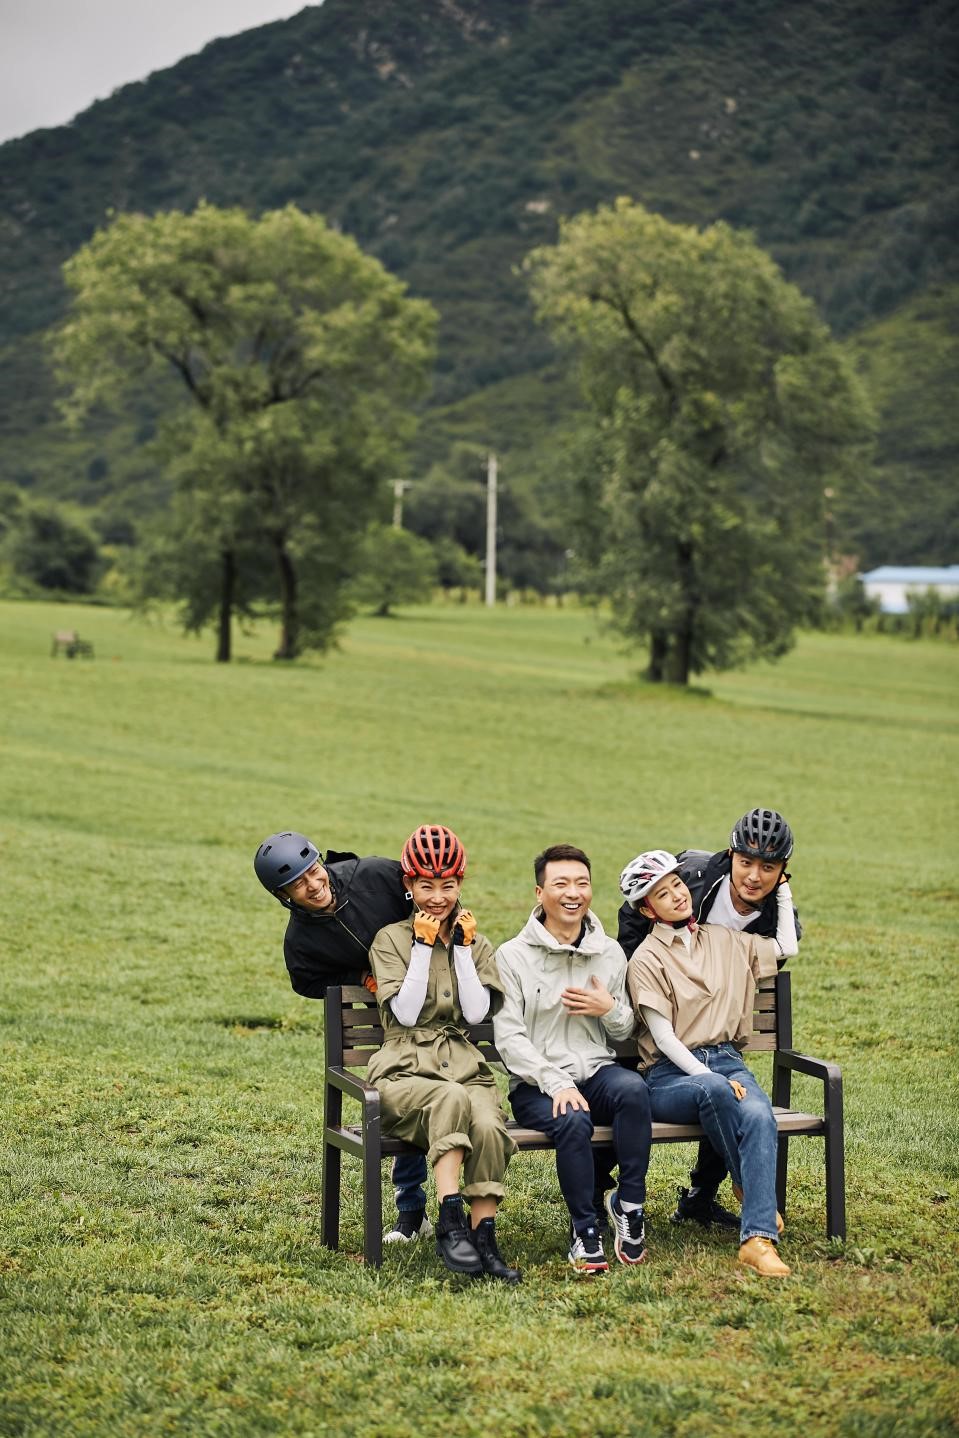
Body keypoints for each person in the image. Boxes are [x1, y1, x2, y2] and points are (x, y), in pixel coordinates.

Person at [617, 806, 799, 1231]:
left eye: (678, 885)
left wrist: (785, 891)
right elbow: (662, 1038)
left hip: (724, 1059)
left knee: (757, 1114)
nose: (679, 895)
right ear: (647, 910)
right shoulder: (644, 958)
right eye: (663, 894)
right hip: (670, 1073)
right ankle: (749, 1189)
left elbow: (786, 948)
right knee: (719, 1091)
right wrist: (709, 1073)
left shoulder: (723, 939)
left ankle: (757, 1240)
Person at [253, 829, 429, 1243]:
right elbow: (305, 981)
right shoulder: (300, 940)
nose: (313, 886)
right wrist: (358, 977)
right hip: (389, 1026)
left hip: (433, 999)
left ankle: (465, 1213)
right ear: (283, 896)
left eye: (313, 872)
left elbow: (431, 893)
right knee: (402, 1098)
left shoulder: (375, 874)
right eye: (297, 884)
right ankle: (412, 1211)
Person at [367, 823, 520, 1283]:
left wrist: (463, 951)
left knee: (490, 1124)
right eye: (426, 886)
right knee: (449, 1099)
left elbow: (475, 1013)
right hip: (403, 1071)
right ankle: (450, 1218)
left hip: (461, 1061)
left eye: (447, 886)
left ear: (459, 887)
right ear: (409, 887)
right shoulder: (390, 940)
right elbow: (408, 1015)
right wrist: (420, 946)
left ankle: (483, 1237)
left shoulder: (475, 941)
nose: (438, 896)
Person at [493, 844, 652, 1275]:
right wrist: (555, 1081)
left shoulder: (610, 953)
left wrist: (610, 1010)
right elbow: (509, 1039)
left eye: (582, 883)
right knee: (572, 1120)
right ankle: (585, 1232)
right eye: (561, 883)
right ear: (539, 893)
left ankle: (629, 1204)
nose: (573, 893)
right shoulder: (512, 957)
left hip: (596, 1072)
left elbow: (625, 1033)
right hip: (537, 1087)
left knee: (634, 1091)